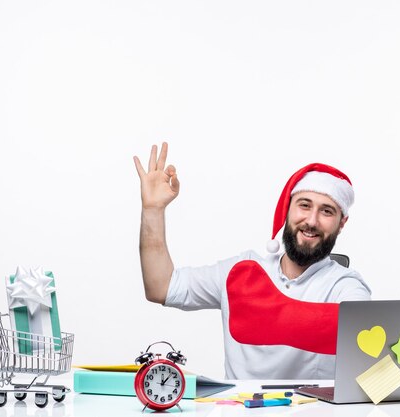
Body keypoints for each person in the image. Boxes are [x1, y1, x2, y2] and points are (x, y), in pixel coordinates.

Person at [133, 142, 371, 379]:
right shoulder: (242, 271)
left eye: (327, 211)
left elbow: (368, 351)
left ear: (341, 224)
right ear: (287, 210)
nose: (311, 220)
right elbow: (161, 287)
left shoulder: (345, 287)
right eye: (304, 205)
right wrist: (153, 210)